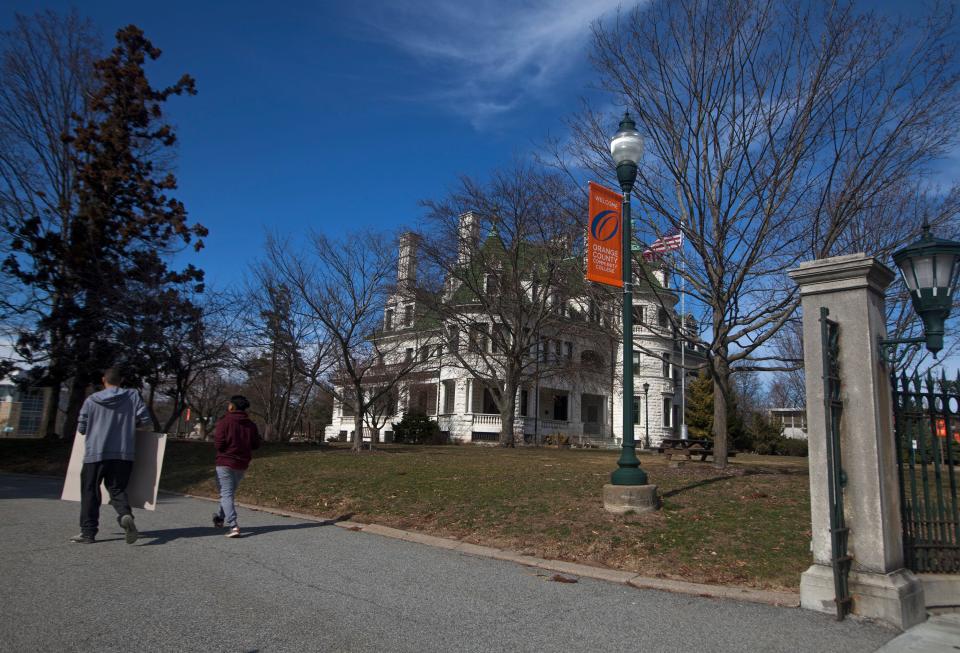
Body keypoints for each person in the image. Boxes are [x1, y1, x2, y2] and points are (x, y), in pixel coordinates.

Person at [72, 367, 151, 545]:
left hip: (95, 453)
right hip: (124, 453)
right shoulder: (132, 396)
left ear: (103, 380)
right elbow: (146, 421)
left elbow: (82, 428)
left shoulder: (91, 400)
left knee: (90, 490)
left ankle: (88, 532)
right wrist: (128, 426)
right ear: (121, 380)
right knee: (117, 489)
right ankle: (125, 515)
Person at [213, 395, 261, 538]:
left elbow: (218, 444)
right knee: (228, 493)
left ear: (232, 406)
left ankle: (233, 525)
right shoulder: (251, 425)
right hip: (242, 463)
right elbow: (256, 444)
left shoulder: (225, 421)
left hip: (225, 462)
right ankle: (220, 519)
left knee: (226, 493)